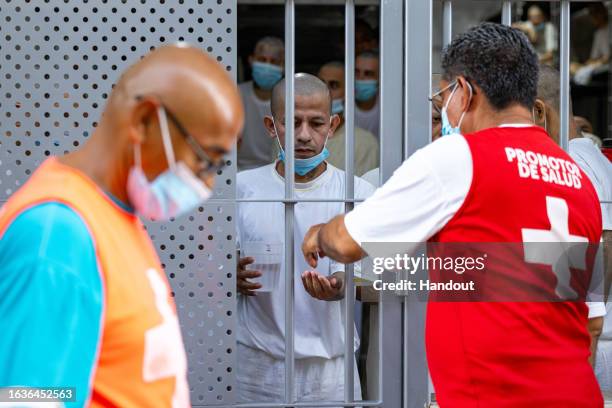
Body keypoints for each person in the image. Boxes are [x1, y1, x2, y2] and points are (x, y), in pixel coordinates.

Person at [302, 23, 603, 406]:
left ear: (463, 92)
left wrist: (319, 234)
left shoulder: (460, 157)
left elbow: (346, 243)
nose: (444, 109)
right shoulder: (575, 177)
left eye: (442, 97)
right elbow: (592, 319)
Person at [0, 45, 244, 407]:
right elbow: (32, 399)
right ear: (144, 120)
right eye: (204, 160)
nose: (206, 185)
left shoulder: (111, 217)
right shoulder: (56, 235)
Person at [235, 73, 374, 405]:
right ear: (271, 126)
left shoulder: (358, 194)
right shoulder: (240, 190)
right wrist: (229, 277)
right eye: (291, 123)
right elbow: (203, 271)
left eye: (316, 123)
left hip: (332, 371)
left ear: (333, 125)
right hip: (255, 364)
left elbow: (381, 276)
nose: (303, 135)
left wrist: (345, 283)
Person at [534, 64, 611, 370]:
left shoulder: (570, 164)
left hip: (588, 347)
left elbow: (605, 242)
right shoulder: (592, 159)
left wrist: (587, 331)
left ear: (539, 112)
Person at [317, 61, 379, 176]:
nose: (325, 91)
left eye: (334, 85)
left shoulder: (365, 143)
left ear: (349, 93)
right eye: (320, 84)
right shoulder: (291, 136)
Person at [238, 36, 285, 170]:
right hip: (239, 170)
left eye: (274, 61)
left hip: (277, 171)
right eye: (262, 60)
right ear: (251, 60)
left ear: (283, 65)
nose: (267, 66)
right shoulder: (237, 94)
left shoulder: (290, 99)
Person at [572, 4, 609, 84]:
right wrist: (583, 65)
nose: (592, 19)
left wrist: (598, 62)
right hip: (598, 63)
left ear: (601, 14)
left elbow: (607, 57)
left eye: (594, 15)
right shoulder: (598, 33)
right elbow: (594, 57)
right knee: (572, 67)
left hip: (606, 65)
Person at [354, 52, 380, 139]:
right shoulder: (342, 107)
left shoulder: (388, 108)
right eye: (356, 72)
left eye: (368, 74)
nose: (360, 78)